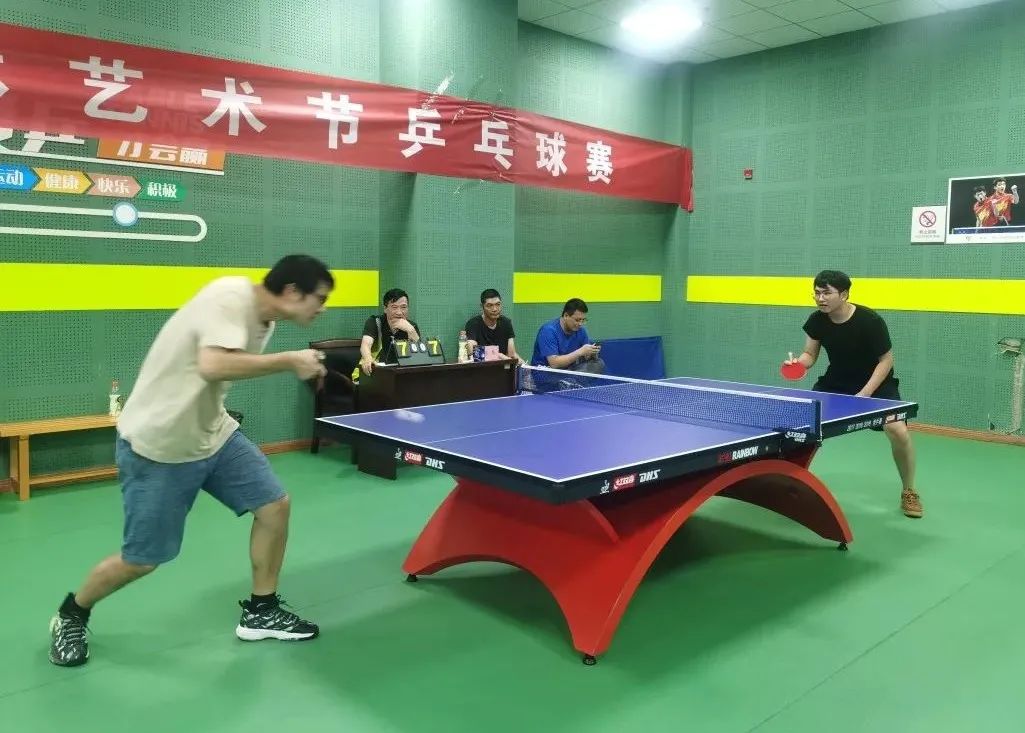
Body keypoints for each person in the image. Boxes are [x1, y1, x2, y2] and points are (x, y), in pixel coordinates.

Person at [48, 255, 335, 668]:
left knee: (274, 506)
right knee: (142, 559)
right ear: (292, 291)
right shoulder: (229, 296)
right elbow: (213, 364)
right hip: (159, 446)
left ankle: (261, 611)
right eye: (319, 298)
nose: (321, 308)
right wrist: (289, 361)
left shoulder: (264, 322)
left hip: (212, 433)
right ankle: (72, 613)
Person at [784, 270, 923, 519]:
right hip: (836, 381)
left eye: (827, 293)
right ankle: (790, 484)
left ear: (844, 294)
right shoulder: (817, 320)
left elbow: (886, 361)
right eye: (817, 293)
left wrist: (865, 393)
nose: (820, 298)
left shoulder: (870, 321)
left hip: (877, 383)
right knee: (802, 426)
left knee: (897, 430)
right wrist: (798, 364)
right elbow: (810, 355)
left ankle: (909, 490)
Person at [530, 297, 604, 373]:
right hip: (546, 372)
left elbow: (586, 357)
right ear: (566, 316)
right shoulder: (548, 331)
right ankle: (571, 379)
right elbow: (554, 364)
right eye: (577, 320)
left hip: (568, 370)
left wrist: (591, 353)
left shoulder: (581, 331)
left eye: (583, 320)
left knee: (598, 363)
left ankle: (571, 379)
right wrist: (580, 352)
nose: (580, 324)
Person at [359, 288, 421, 374]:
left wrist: (411, 331)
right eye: (394, 307)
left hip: (402, 373)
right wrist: (368, 358)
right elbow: (366, 344)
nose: (399, 312)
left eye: (403, 307)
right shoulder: (375, 322)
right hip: (375, 371)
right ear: (385, 308)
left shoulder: (411, 327)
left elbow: (421, 355)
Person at [464, 288, 523, 363]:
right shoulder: (473, 324)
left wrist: (525, 366)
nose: (495, 309)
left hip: (503, 367)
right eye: (489, 305)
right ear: (482, 306)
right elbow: (472, 351)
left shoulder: (506, 323)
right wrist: (499, 355)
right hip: (482, 368)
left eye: (498, 304)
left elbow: (512, 354)